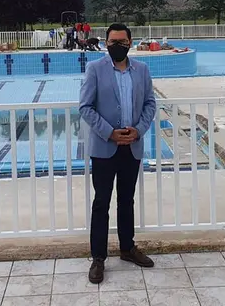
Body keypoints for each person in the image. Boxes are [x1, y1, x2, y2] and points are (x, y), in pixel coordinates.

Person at [79, 23, 157, 284]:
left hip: (131, 147)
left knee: (127, 200)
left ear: (130, 43)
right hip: (104, 148)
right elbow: (86, 107)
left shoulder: (142, 71)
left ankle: (127, 248)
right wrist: (109, 132)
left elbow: (149, 104)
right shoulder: (95, 70)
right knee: (101, 202)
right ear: (105, 44)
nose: (116, 46)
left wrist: (139, 130)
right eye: (112, 42)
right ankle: (98, 258)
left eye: (121, 42)